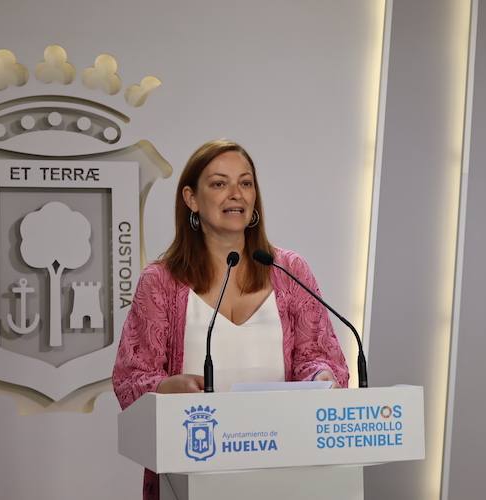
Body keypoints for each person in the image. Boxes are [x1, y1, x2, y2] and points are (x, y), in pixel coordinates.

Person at [112, 139, 349, 500]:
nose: (235, 194)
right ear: (191, 198)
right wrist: (164, 388)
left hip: (286, 469)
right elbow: (131, 377)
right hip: (192, 471)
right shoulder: (161, 281)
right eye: (219, 184)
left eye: (246, 182)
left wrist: (321, 377)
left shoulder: (289, 271)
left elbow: (316, 354)